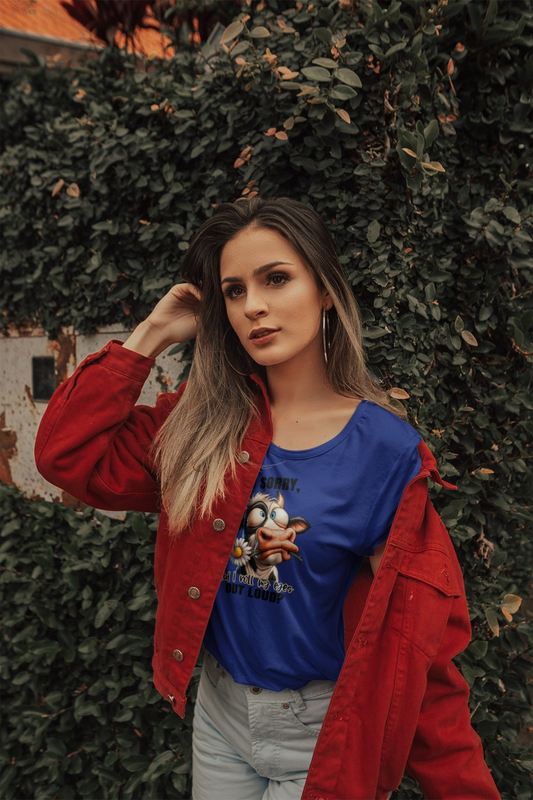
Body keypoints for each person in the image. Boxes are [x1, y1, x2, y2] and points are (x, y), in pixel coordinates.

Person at [35, 196, 500, 800]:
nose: (252, 305)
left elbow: (422, 645)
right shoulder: (201, 424)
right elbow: (66, 457)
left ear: (325, 290)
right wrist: (149, 335)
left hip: (321, 732)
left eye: (275, 279)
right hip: (221, 715)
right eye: (233, 291)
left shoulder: (384, 453)